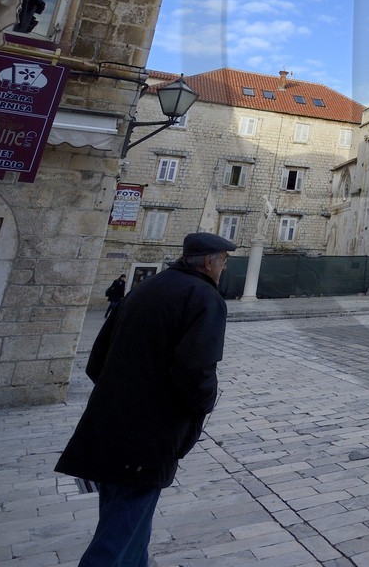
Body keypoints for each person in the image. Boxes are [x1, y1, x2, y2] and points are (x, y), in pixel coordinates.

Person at [56, 233, 237, 566]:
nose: (224, 268)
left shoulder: (146, 287)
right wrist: (202, 405)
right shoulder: (204, 297)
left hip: (108, 425)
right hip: (148, 435)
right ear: (210, 262)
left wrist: (126, 392)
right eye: (224, 261)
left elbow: (97, 359)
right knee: (118, 535)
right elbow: (195, 369)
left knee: (131, 525)